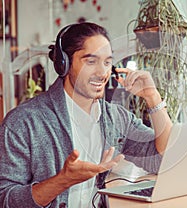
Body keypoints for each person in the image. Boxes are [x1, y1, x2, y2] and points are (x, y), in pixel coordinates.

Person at [0, 22, 172, 208]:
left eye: (107, 62)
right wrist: (62, 181)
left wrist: (153, 97)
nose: (102, 72)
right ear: (64, 64)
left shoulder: (116, 118)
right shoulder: (23, 122)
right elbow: (5, 199)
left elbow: (163, 160)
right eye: (91, 61)